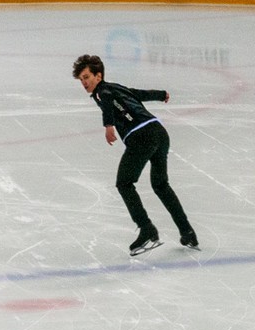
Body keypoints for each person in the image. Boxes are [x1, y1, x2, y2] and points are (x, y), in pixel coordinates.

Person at [72, 55, 198, 256]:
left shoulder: (102, 91)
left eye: (86, 77)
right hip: (158, 132)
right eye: (81, 80)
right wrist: (160, 94)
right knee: (161, 185)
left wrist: (109, 126)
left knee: (124, 183)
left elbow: (106, 104)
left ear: (98, 75)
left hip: (141, 136)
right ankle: (187, 232)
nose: (84, 83)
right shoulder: (116, 87)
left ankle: (147, 229)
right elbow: (137, 93)